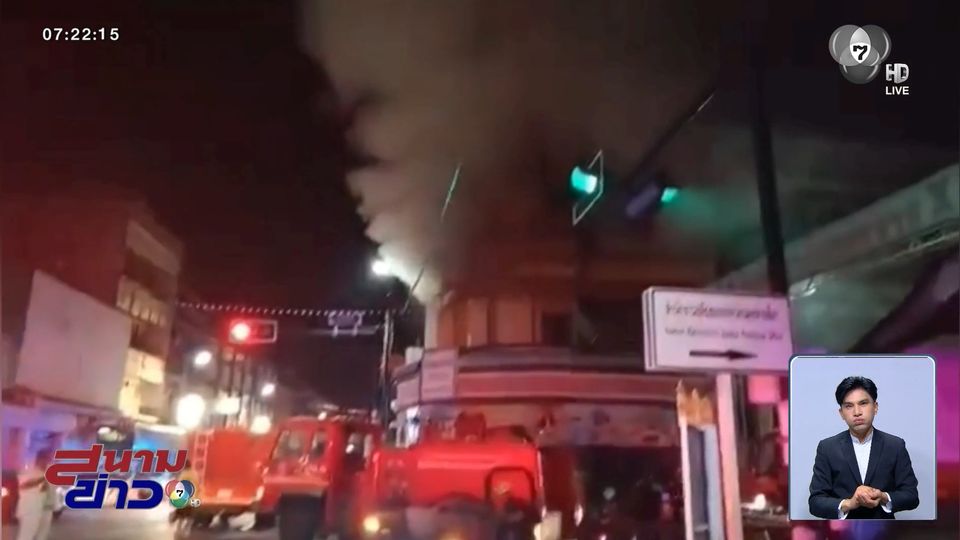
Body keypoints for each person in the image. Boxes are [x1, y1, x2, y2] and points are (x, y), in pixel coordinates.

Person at [808, 376, 920, 519]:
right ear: (841, 413)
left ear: (875, 407)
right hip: (841, 529)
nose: (857, 412)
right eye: (849, 406)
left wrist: (883, 496)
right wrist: (849, 503)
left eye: (863, 403)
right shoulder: (827, 448)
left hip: (884, 528)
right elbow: (815, 502)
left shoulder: (895, 445)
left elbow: (911, 496)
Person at [17, 449, 56, 540]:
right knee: (27, 534)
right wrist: (43, 479)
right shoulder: (27, 469)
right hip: (30, 508)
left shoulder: (50, 469)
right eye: (45, 459)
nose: (47, 462)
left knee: (42, 535)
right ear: (38, 459)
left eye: (49, 459)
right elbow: (23, 485)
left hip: (47, 507)